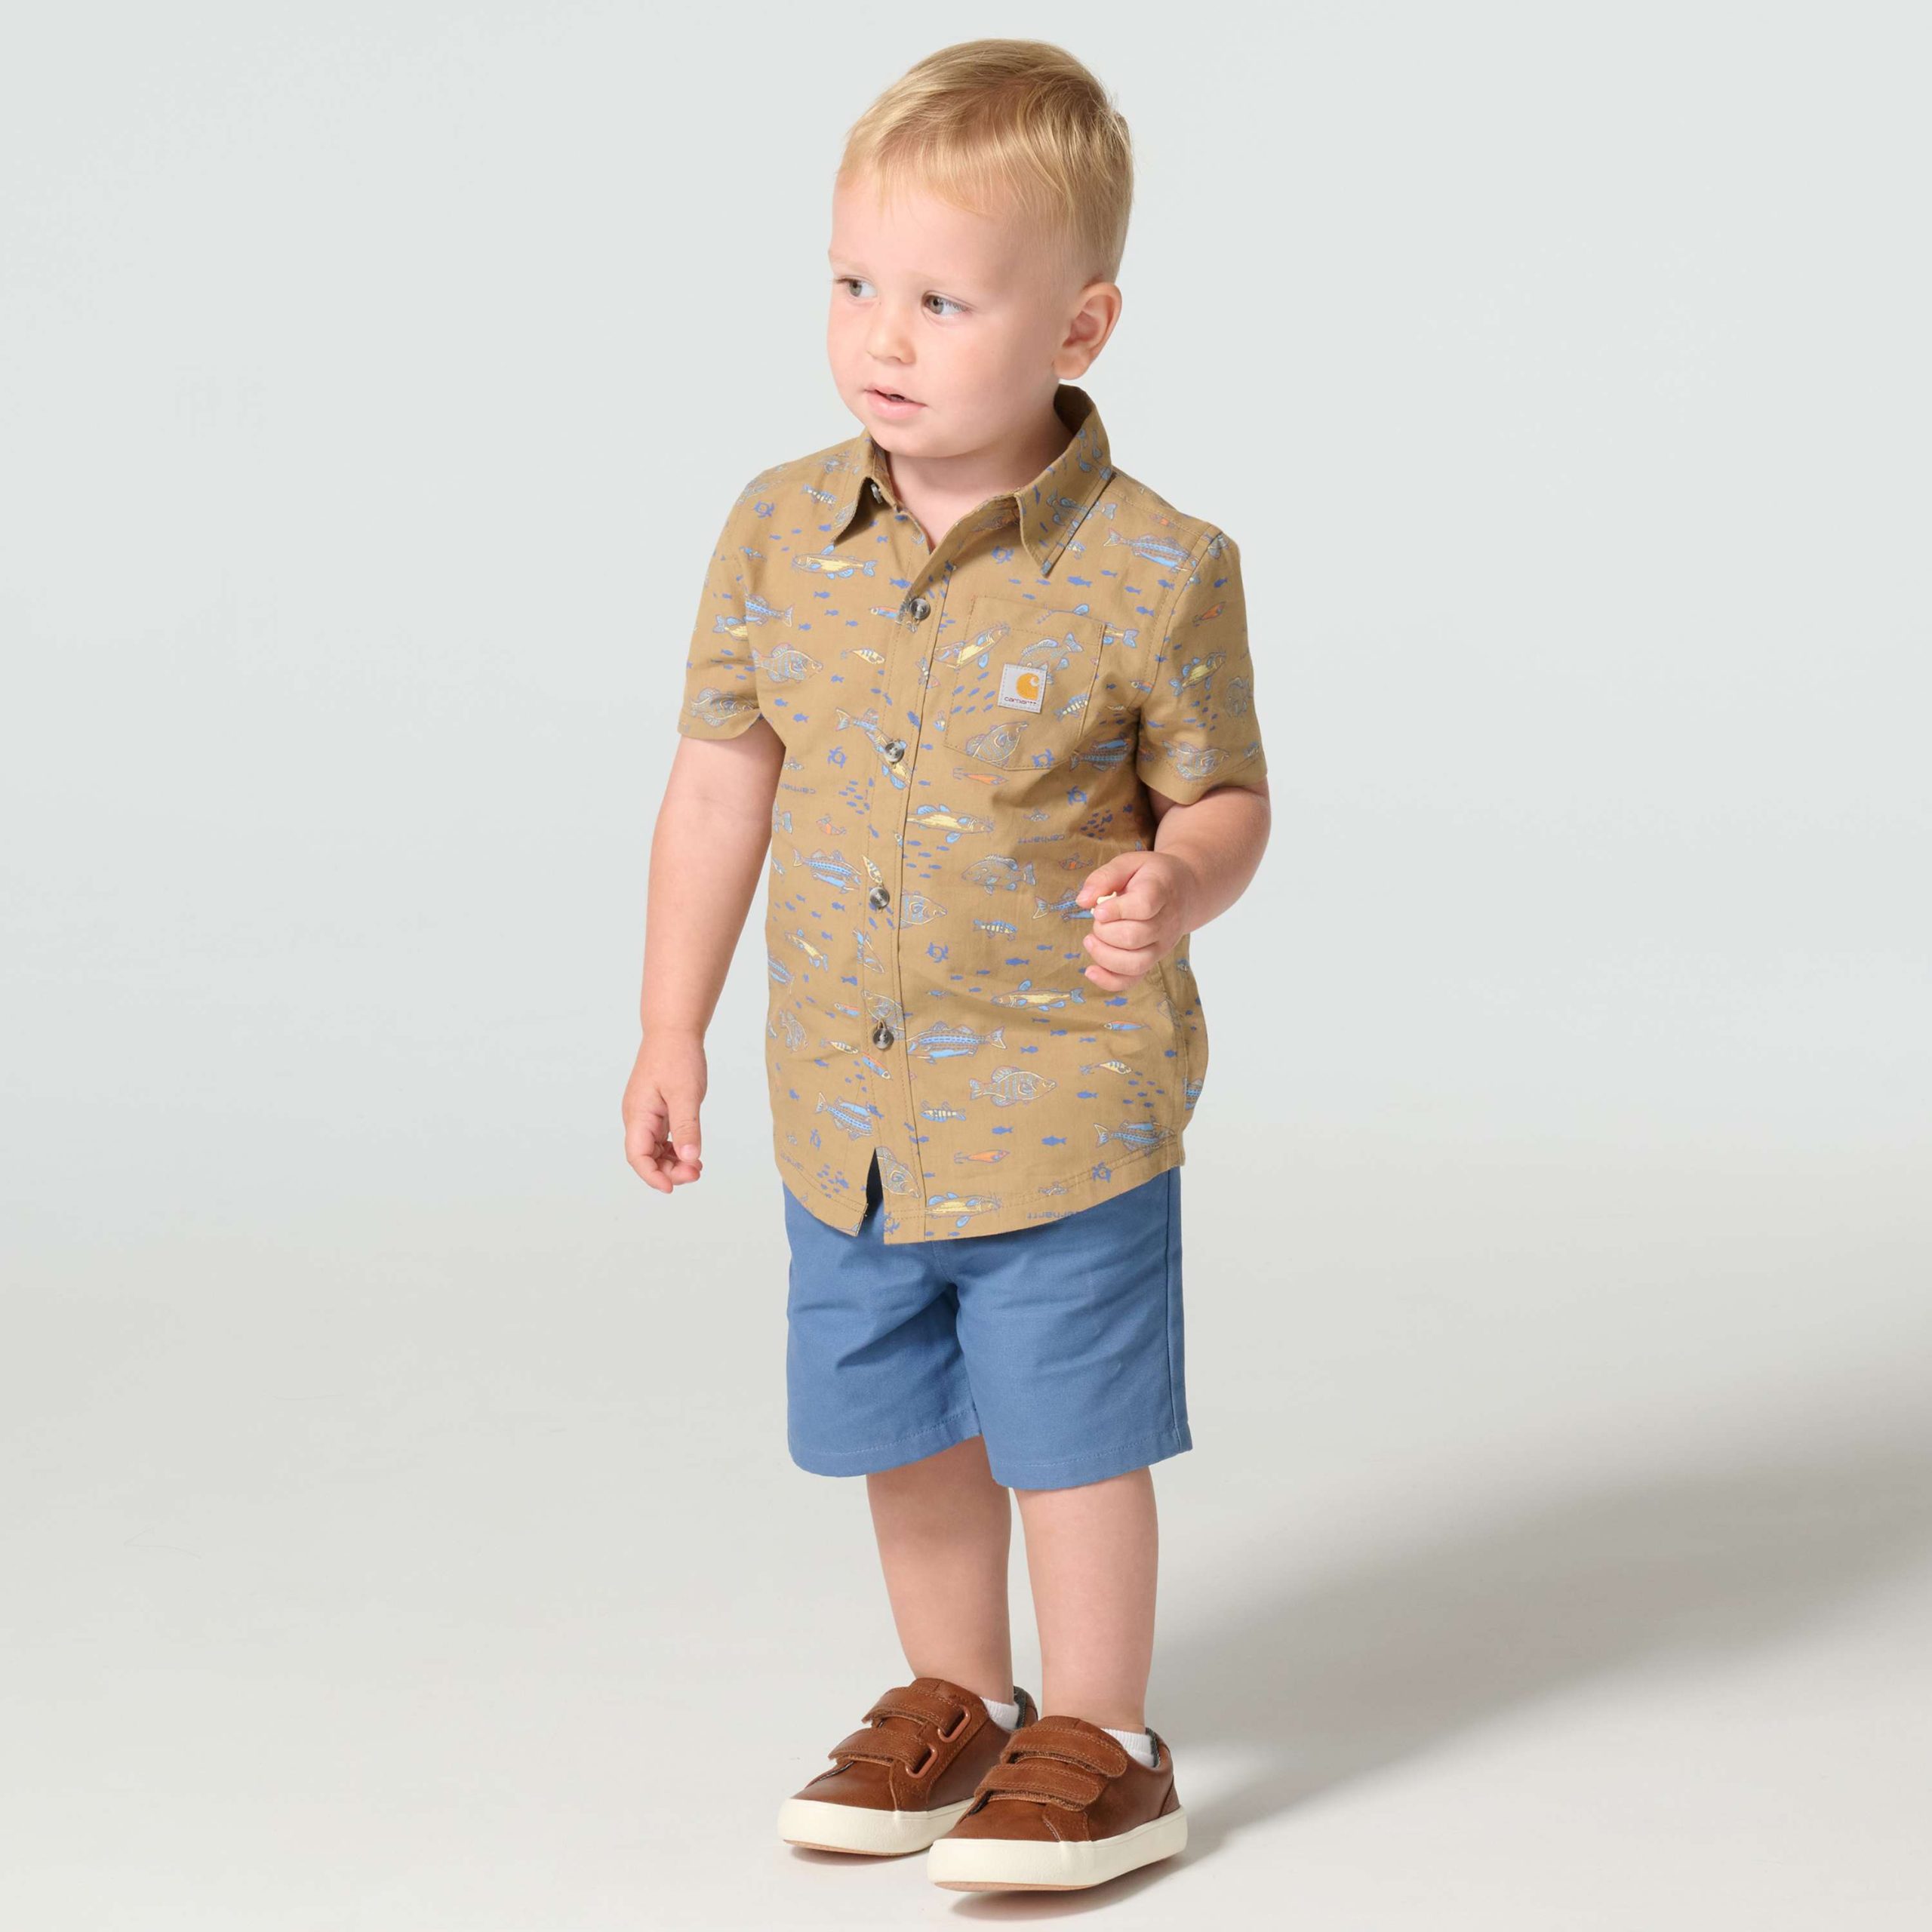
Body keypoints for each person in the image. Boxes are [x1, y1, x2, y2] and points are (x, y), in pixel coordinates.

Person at [622, 38, 1271, 1894]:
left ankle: (1105, 1733)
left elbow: (1227, 795)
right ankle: (959, 1697)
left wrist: (1177, 877)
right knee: (903, 1424)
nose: (879, 339)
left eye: (939, 300)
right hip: (849, 1106)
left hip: (1060, 1100)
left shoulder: (1156, 566)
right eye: (852, 283)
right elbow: (717, 784)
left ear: (1078, 325)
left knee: (1067, 1432)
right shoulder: (777, 529)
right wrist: (668, 1023)